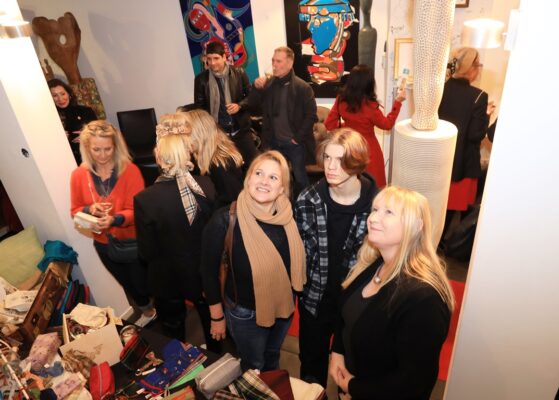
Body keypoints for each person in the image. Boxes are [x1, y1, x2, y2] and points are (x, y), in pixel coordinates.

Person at [329, 186, 454, 399]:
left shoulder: (424, 299)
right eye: (375, 210)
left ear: (416, 226)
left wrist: (353, 387)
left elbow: (412, 384)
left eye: (388, 212)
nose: (373, 219)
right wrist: (337, 353)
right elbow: (346, 317)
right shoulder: (374, 265)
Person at [201, 151, 306, 371]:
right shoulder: (224, 220)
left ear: (282, 188)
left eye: (273, 177)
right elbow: (207, 272)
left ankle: (271, 385)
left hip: (284, 306)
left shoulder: (288, 215)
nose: (264, 181)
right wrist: (217, 317)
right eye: (258, 173)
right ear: (248, 179)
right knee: (253, 365)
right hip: (245, 314)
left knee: (272, 356)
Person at [294, 128, 378, 387]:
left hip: (355, 305)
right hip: (315, 301)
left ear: (357, 163)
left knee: (353, 371)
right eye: (328, 157)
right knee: (311, 368)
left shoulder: (376, 207)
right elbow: (298, 254)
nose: (330, 167)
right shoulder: (307, 200)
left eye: (341, 160)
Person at [134, 114, 219, 351]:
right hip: (202, 273)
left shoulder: (145, 199)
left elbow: (147, 252)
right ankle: (215, 358)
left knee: (173, 328)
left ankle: (179, 361)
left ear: (159, 157)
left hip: (167, 276)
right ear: (188, 153)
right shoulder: (206, 185)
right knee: (212, 320)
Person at [70, 120, 156, 327]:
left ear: (116, 146)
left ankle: (154, 308)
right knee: (127, 283)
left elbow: (136, 210)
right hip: (103, 243)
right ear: (87, 148)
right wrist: (90, 210)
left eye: (107, 149)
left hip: (131, 241)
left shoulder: (130, 171)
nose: (102, 155)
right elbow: (75, 210)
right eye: (96, 149)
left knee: (142, 284)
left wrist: (114, 219)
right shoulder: (79, 175)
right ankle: (148, 311)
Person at [438, 47, 490, 241]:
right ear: (472, 68)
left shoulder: (439, 89)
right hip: (463, 164)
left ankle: (434, 243)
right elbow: (475, 135)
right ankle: (450, 246)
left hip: (439, 159)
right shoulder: (479, 96)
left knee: (438, 208)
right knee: (459, 211)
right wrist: (486, 116)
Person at [324, 64, 406, 188]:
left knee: (349, 184)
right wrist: (397, 102)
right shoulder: (370, 106)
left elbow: (329, 124)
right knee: (371, 187)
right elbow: (387, 124)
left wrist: (346, 128)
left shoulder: (341, 99)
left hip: (348, 147)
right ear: (369, 84)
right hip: (368, 149)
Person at [251, 46, 318, 191]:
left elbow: (311, 116)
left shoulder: (303, 87)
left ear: (290, 63)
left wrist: (297, 139)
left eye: (279, 61)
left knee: (300, 178)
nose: (274, 65)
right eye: (273, 61)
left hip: (295, 144)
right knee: (276, 177)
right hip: (274, 142)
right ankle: (282, 202)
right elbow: (253, 104)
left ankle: (306, 202)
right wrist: (256, 87)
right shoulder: (268, 84)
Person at [193, 41, 258, 167]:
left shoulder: (239, 72)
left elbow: (251, 97)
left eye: (216, 58)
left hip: (240, 129)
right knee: (229, 169)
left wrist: (239, 105)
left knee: (254, 164)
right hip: (218, 134)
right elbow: (199, 108)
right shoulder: (201, 80)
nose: (212, 63)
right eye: (209, 59)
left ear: (224, 57)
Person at [184, 108, 244, 208]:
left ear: (198, 135)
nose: (183, 140)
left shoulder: (220, 165)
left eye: (186, 135)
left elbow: (232, 203)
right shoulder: (203, 155)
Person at [48, 78, 97, 164]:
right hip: (63, 160)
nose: (60, 99)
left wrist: (88, 136)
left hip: (91, 158)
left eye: (63, 94)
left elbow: (102, 134)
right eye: (55, 95)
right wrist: (57, 138)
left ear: (69, 94)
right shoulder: (48, 119)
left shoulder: (86, 111)